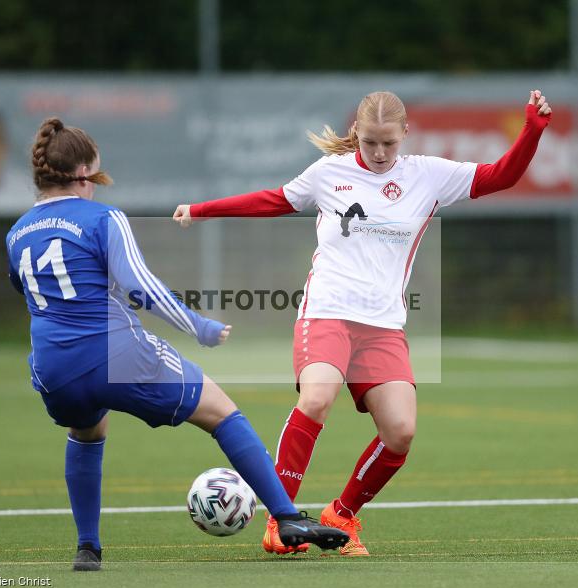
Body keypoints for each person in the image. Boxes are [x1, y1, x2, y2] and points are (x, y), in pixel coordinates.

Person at [173, 90, 552, 556]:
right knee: (317, 398)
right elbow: (272, 201)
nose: (378, 152)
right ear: (356, 132)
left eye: (388, 143)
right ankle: (281, 520)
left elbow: (502, 176)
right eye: (369, 142)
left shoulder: (428, 176)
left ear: (405, 134)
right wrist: (201, 209)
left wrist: (532, 129)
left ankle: (342, 515)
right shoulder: (329, 173)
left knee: (400, 432)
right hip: (327, 312)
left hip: (383, 326)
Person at [6, 117, 348, 571]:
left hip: (53, 371)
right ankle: (287, 518)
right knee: (223, 413)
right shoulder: (103, 218)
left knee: (86, 431)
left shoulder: (17, 233)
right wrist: (198, 325)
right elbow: (141, 286)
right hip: (115, 355)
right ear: (84, 173)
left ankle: (87, 547)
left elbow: (30, 294)